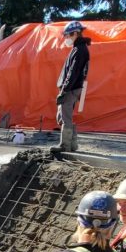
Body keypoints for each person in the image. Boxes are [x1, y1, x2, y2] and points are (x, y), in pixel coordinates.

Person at [55, 21, 90, 153]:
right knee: (64, 115)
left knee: (65, 117)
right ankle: (72, 145)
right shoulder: (79, 49)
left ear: (75, 33)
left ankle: (65, 146)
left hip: (71, 88)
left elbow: (73, 72)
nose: (66, 38)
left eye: (67, 35)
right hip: (73, 87)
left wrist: (64, 90)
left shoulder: (80, 50)